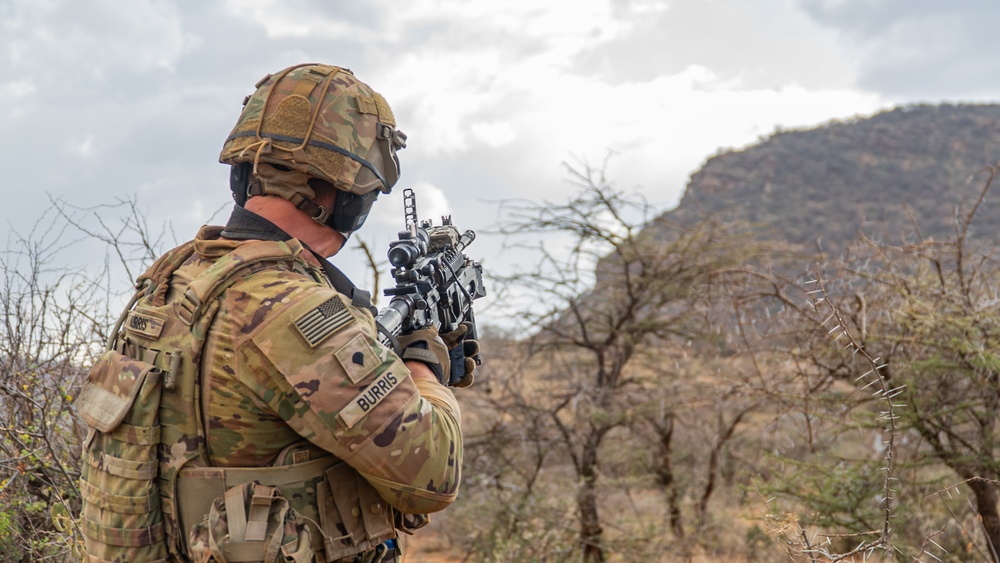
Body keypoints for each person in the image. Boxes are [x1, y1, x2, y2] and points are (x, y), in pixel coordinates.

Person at [76, 63, 473, 563]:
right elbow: (432, 474)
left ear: (242, 174)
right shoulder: (292, 309)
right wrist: (424, 365)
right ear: (350, 197)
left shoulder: (174, 278)